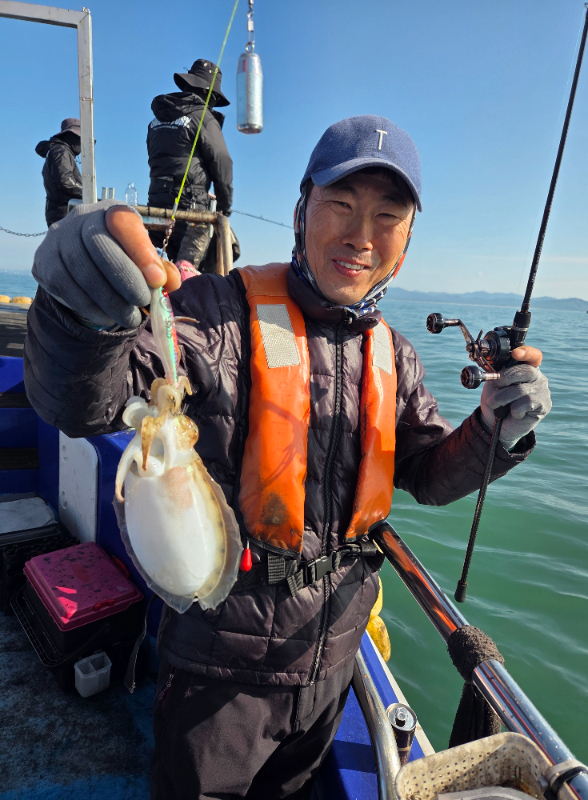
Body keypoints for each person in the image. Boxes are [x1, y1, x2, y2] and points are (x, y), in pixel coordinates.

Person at [24, 115, 551, 799]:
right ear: (302, 211)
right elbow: (86, 402)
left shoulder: (395, 355)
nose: (361, 235)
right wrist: (79, 320)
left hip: (333, 661)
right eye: (341, 204)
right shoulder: (218, 313)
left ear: (407, 240)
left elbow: (426, 472)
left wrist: (494, 431)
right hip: (219, 668)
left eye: (387, 216)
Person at [146, 59, 235, 272]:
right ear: (206, 91)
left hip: (155, 204)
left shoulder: (155, 120)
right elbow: (222, 160)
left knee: (159, 271)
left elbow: (165, 160)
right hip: (191, 208)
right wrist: (223, 205)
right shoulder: (202, 116)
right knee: (187, 271)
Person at [35, 118, 83, 227]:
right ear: (69, 136)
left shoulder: (58, 151)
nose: (81, 143)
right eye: (79, 138)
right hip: (65, 214)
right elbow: (65, 181)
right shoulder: (61, 151)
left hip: (60, 212)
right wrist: (89, 195)